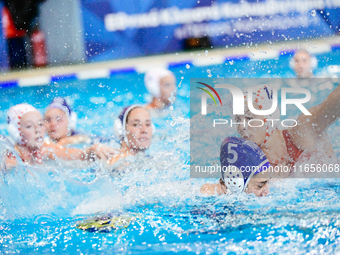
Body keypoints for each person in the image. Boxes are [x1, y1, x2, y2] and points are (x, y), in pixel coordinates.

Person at [232, 83, 339, 170]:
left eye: (250, 118)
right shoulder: (250, 162)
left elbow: (335, 102)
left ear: (268, 118)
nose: (241, 127)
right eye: (238, 119)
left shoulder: (303, 130)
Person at [5, 103, 102, 166]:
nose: (38, 130)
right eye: (29, 126)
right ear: (16, 132)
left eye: (40, 124)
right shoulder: (10, 160)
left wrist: (92, 150)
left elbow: (80, 155)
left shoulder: (44, 149)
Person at [201, 137, 270, 197]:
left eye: (268, 182)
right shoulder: (206, 197)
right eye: (260, 186)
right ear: (236, 181)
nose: (268, 192)